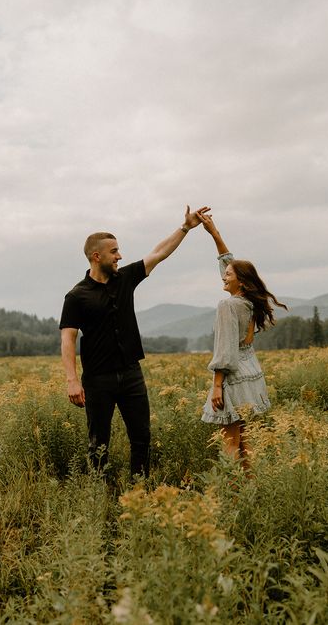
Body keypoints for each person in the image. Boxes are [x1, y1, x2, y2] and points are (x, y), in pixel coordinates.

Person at [59, 205, 210, 480]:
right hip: (97, 380)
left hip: (131, 375)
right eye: (114, 251)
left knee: (141, 437)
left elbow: (158, 253)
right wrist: (72, 380)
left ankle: (139, 489)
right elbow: (67, 340)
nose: (120, 256)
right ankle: (100, 495)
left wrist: (185, 227)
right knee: (98, 445)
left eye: (119, 250)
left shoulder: (125, 279)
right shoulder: (76, 296)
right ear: (97, 256)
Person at [198, 213, 287, 469]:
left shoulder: (227, 306)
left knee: (229, 441)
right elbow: (230, 263)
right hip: (252, 374)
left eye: (228, 275)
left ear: (242, 282)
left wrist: (217, 386)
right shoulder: (250, 303)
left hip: (233, 378)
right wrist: (215, 234)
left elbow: (225, 351)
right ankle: (251, 489)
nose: (224, 277)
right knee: (247, 439)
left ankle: (233, 495)